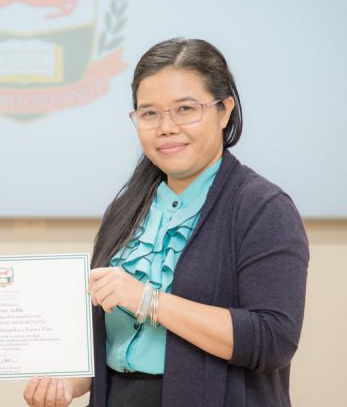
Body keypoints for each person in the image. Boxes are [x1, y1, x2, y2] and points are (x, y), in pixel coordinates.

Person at [23, 38, 309, 406]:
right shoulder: (126, 207)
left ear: (224, 111)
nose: (166, 127)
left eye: (185, 109)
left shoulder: (263, 208)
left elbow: (273, 339)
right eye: (149, 113)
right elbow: (112, 341)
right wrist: (69, 384)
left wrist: (149, 301)